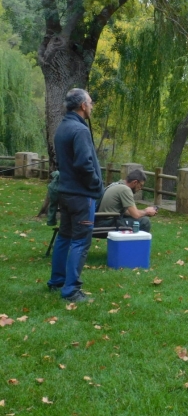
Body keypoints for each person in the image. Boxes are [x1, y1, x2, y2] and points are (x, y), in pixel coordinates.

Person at [47, 89, 104, 302]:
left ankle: (57, 282)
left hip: (65, 192)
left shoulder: (62, 127)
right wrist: (96, 184)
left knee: (64, 237)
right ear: (82, 105)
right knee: (80, 241)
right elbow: (83, 163)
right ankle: (71, 290)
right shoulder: (80, 130)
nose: (91, 106)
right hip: (81, 195)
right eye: (90, 102)